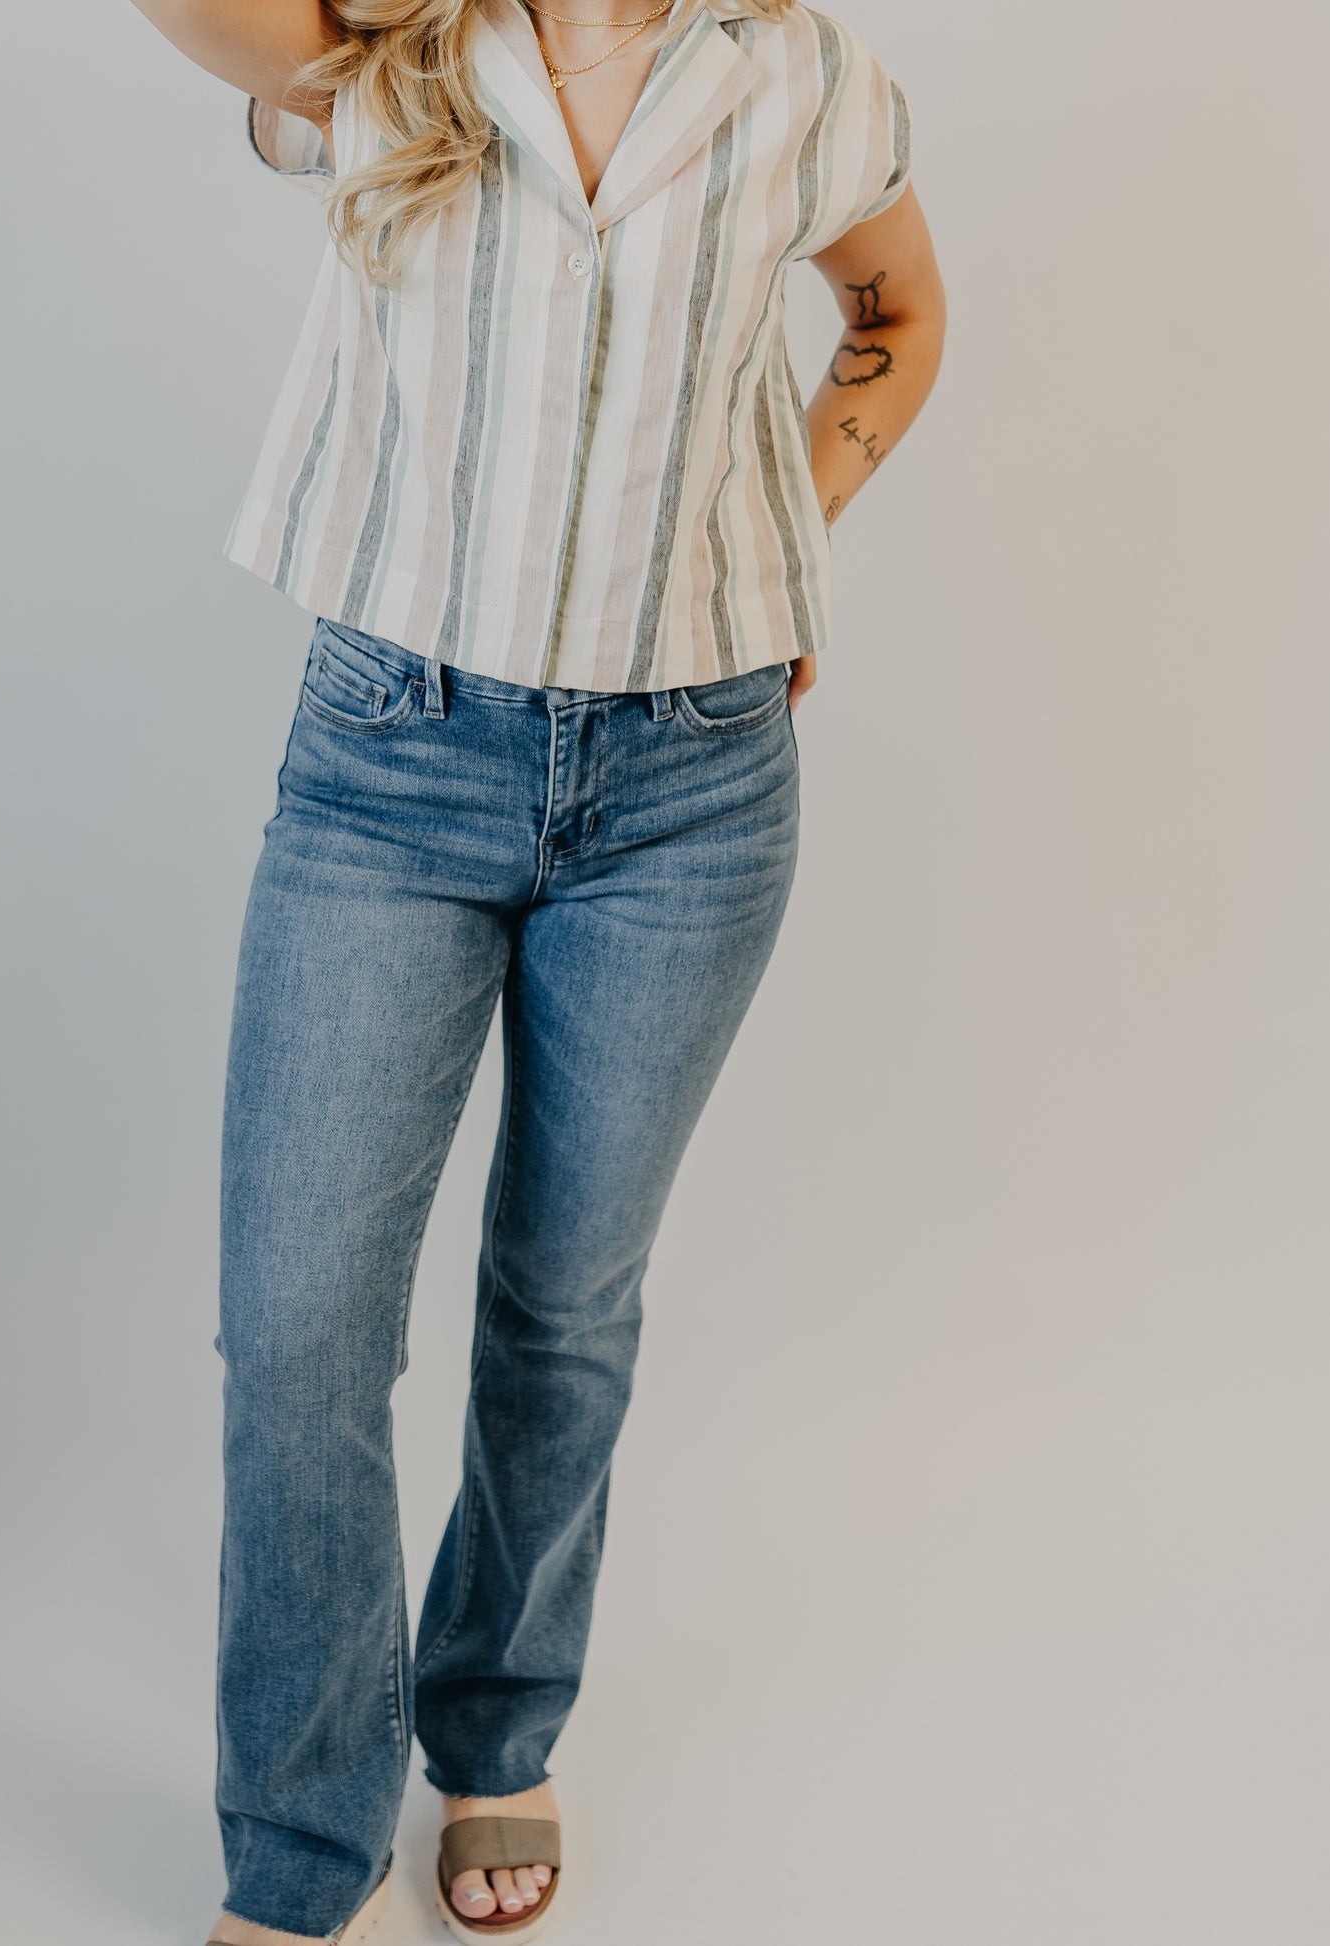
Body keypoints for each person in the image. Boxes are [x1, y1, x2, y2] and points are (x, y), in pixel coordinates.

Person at [124, 1, 947, 1939]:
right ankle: (304, 1846)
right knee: (298, 1328)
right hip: (390, 765)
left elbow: (897, 317)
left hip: (691, 786)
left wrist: (793, 525)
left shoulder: (801, 80)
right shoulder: (378, 53)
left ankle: (496, 1720)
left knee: (564, 1304)